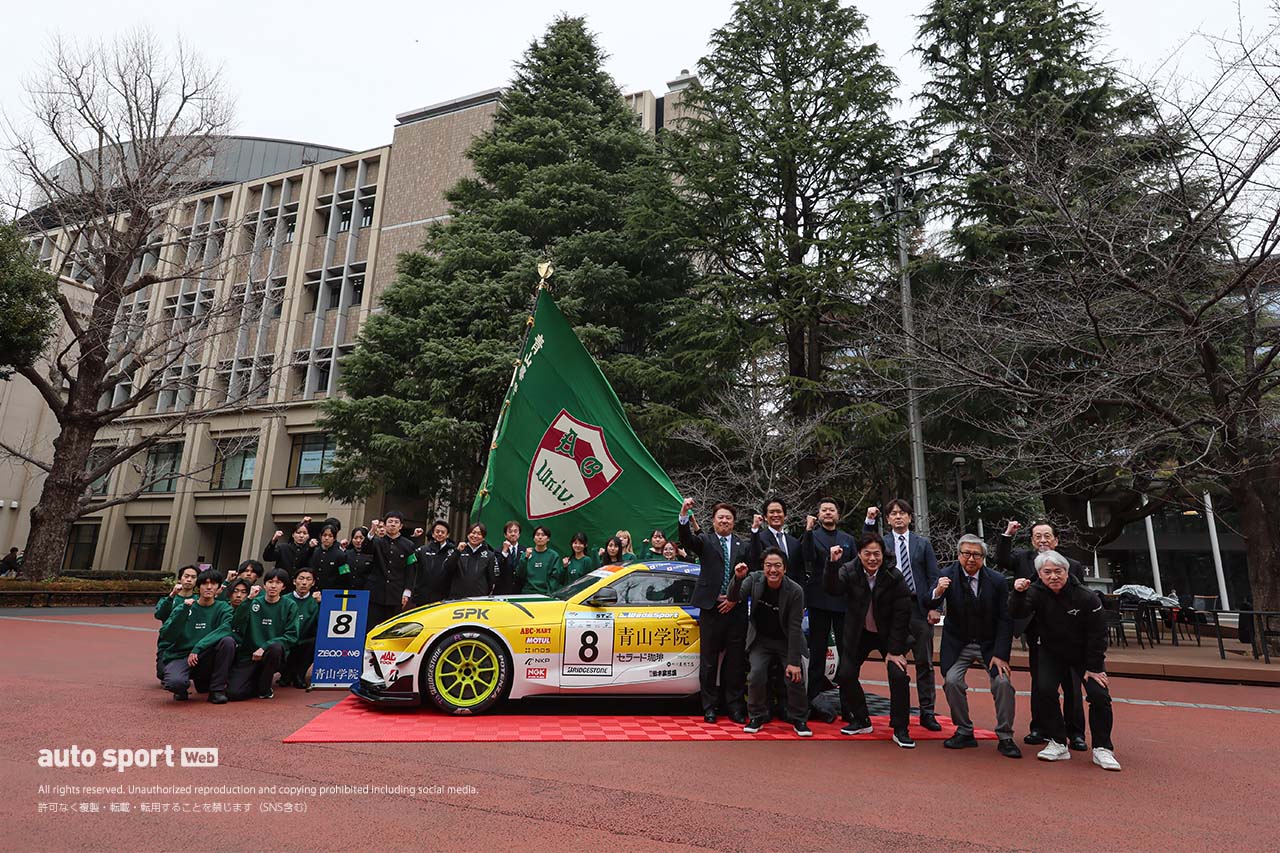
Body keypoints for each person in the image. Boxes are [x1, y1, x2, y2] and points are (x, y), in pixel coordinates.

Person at [1010, 551, 1121, 771]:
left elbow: (1098, 634)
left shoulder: (1087, 597)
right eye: (1047, 572)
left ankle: (1103, 748)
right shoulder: (1035, 592)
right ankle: (1058, 742)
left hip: (1084, 654)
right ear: (1039, 574)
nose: (1053, 576)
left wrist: (1095, 667)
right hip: (1051, 651)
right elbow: (1017, 611)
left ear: (1067, 572)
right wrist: (1018, 593)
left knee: (1099, 695)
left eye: (1058, 571)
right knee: (1045, 690)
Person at [995, 519, 1088, 749]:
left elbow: (1081, 597)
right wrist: (1007, 533)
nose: (1043, 540)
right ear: (1032, 541)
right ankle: (1040, 727)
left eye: (1047, 536)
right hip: (1038, 631)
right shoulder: (1024, 559)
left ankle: (1075, 732)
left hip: (1069, 633)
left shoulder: (1072, 565)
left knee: (1072, 685)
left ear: (1056, 540)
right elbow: (1002, 559)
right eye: (1038, 536)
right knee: (1040, 683)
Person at [929, 535, 1021, 758]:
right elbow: (929, 603)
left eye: (976, 555)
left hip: (988, 643)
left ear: (983, 557)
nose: (970, 559)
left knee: (1002, 683)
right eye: (966, 554)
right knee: (951, 682)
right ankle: (964, 730)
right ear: (959, 555)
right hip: (958, 642)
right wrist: (937, 594)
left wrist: (1001, 654)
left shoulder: (997, 580)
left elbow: (1005, 619)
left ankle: (1006, 735)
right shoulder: (946, 576)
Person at [825, 532, 915, 748]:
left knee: (898, 675)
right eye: (867, 554)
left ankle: (900, 728)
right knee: (845, 675)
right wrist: (832, 564)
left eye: (877, 554)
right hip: (859, 632)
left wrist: (895, 650)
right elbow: (832, 589)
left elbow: (902, 613)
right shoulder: (849, 570)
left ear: (883, 554)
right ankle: (862, 719)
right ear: (859, 554)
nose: (872, 558)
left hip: (888, 634)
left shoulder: (894, 576)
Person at [865, 500, 943, 731]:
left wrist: (935, 606)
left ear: (910, 517)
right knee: (895, 661)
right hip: (890, 611)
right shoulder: (882, 544)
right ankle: (898, 712)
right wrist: (869, 521)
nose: (898, 517)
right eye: (893, 514)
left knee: (924, 662)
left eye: (903, 513)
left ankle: (927, 712)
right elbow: (865, 550)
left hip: (918, 607)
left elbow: (933, 576)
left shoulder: (923, 544)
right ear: (887, 519)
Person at [678, 497, 752, 725]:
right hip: (711, 609)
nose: (724, 521)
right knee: (708, 662)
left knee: (736, 662)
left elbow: (750, 577)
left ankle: (735, 707)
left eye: (728, 518)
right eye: (720, 517)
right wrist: (683, 514)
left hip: (736, 610)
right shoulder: (705, 541)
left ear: (734, 522)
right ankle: (709, 707)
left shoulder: (744, 545)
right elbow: (685, 539)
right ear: (714, 520)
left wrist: (734, 599)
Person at [728, 547, 811, 737]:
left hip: (786, 639)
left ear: (785, 569)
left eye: (777, 566)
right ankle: (757, 716)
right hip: (761, 640)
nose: (773, 570)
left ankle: (799, 719)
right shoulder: (754, 580)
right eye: (768, 566)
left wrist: (793, 662)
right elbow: (734, 598)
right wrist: (738, 578)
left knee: (794, 676)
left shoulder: (795, 591)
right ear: (763, 567)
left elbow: (795, 626)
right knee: (756, 674)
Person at [799, 498, 855, 709]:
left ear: (838, 515)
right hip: (819, 598)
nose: (828, 513)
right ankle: (813, 698)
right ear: (818, 515)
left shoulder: (848, 539)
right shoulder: (812, 536)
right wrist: (807, 530)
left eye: (831, 510)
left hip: (843, 600)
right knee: (818, 648)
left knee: (846, 649)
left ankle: (848, 700)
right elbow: (807, 557)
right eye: (824, 510)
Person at [158, 569, 236, 703]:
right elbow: (167, 634)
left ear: (218, 587)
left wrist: (199, 647)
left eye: (213, 584)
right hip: (181, 655)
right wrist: (182, 613)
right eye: (205, 584)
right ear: (198, 586)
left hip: (206, 655)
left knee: (228, 641)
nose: (209, 587)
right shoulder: (184, 607)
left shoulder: (224, 608)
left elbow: (226, 628)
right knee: (174, 683)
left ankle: (216, 691)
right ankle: (182, 688)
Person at [228, 568, 299, 701]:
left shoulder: (289, 605)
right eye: (270, 582)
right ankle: (255, 681)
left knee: (276, 647)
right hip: (249, 655)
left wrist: (265, 647)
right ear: (264, 584)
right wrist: (248, 600)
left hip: (272, 655)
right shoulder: (254, 602)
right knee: (234, 694)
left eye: (278, 583)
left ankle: (265, 688)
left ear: (283, 586)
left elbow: (291, 636)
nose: (273, 586)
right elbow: (236, 623)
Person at [359, 512, 418, 632]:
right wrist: (371, 531)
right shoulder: (376, 542)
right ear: (385, 525)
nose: (393, 525)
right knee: (372, 627)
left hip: (396, 593)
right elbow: (365, 549)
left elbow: (411, 570)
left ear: (401, 526)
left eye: (396, 522)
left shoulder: (409, 545)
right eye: (390, 522)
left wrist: (407, 592)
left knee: (392, 629)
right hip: (376, 593)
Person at [155, 565, 199, 682]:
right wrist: (172, 595)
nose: (189, 579)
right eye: (186, 576)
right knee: (162, 674)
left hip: (189, 644)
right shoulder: (169, 599)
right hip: (167, 644)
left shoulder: (199, 600)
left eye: (193, 577)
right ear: (180, 579)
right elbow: (159, 615)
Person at [281, 567, 319, 688]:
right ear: (294, 581)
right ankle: (285, 674)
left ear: (313, 583)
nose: (304, 583)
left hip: (304, 641)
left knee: (314, 643)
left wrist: (322, 603)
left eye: (308, 579)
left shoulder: (315, 602)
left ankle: (300, 675)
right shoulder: (284, 599)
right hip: (286, 640)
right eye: (301, 579)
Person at [443, 522, 501, 599]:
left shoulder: (490, 555)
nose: (475, 536)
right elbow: (447, 568)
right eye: (473, 533)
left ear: (483, 538)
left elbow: (491, 579)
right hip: (457, 597)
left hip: (479, 598)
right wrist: (457, 552)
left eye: (479, 534)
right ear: (468, 534)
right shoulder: (458, 551)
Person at [751, 498, 801, 572]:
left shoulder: (794, 542)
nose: (775, 515)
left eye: (779, 511)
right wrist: (755, 528)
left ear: (785, 516)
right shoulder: (759, 539)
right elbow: (754, 559)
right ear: (765, 517)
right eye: (771, 512)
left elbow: (800, 570)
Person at [413, 521, 455, 606]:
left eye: (443, 532)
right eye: (437, 532)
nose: (439, 534)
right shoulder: (423, 550)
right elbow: (410, 559)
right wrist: (415, 538)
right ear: (432, 534)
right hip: (422, 597)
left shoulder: (453, 551)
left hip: (443, 597)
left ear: (447, 535)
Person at [517, 526, 564, 595]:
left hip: (545, 594)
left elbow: (555, 578)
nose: (540, 537)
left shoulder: (553, 555)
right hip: (527, 593)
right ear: (534, 538)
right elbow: (520, 574)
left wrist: (549, 593)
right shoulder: (526, 554)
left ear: (548, 539)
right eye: (537, 535)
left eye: (543, 535)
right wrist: (525, 558)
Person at [309, 525, 355, 591]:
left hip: (331, 591)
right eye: (324, 535)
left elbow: (345, 576)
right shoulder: (314, 552)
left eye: (330, 536)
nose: (327, 538)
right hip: (313, 590)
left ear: (334, 538)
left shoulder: (341, 555)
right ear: (320, 536)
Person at [495, 521, 523, 595]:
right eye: (510, 531)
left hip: (520, 591)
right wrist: (504, 551)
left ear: (519, 534)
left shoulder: (524, 550)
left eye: (515, 531)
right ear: (505, 534)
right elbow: (497, 568)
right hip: (502, 591)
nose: (513, 534)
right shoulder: (498, 550)